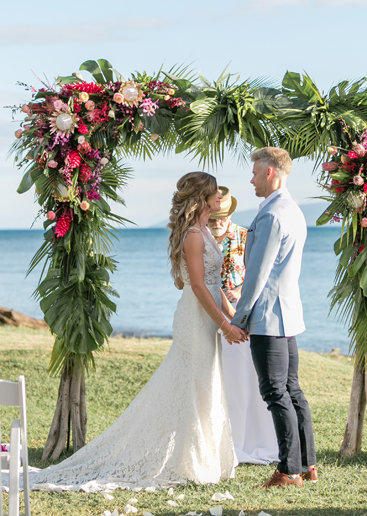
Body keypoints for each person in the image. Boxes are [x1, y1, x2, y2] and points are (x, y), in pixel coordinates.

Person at [28, 172, 246, 491]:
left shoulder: (205, 232)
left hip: (207, 317)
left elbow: (215, 286)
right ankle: (190, 461)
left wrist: (234, 316)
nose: (219, 199)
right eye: (214, 194)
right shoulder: (195, 236)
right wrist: (225, 324)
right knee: (194, 385)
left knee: (204, 384)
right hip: (195, 318)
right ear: (201, 198)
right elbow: (198, 287)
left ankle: (198, 457)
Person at [231, 147, 318, 489]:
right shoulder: (293, 210)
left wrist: (239, 318)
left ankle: (288, 471)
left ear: (270, 172)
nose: (251, 179)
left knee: (275, 393)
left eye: (254, 172)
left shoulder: (271, 216)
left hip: (268, 316)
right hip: (288, 314)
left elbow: (257, 274)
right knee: (292, 391)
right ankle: (308, 464)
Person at [208, 187, 278, 465]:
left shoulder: (244, 235)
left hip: (242, 315)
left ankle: (250, 438)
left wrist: (242, 291)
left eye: (222, 218)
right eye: (213, 219)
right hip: (212, 314)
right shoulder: (202, 238)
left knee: (244, 378)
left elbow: (260, 271)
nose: (217, 224)